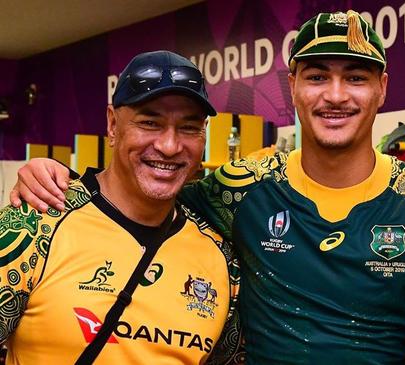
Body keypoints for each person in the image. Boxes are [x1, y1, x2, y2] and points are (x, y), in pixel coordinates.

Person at [11, 11, 405, 364]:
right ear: (292, 88)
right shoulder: (237, 189)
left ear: (383, 89)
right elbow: (142, 194)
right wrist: (56, 179)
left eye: (355, 77)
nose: (336, 94)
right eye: (318, 76)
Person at [0, 51, 240, 364]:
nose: (169, 146)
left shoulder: (222, 259)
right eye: (150, 122)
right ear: (113, 125)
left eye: (189, 127)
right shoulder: (37, 221)